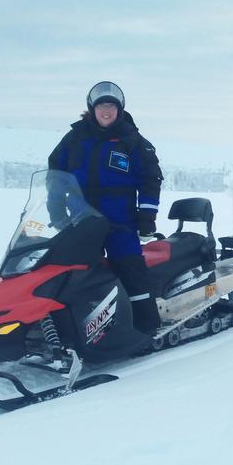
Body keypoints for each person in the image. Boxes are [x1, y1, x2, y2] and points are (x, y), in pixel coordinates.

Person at [48, 81, 163, 333]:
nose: (106, 111)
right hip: (81, 219)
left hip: (119, 221)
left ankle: (145, 328)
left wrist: (147, 217)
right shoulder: (75, 138)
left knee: (130, 268)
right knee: (72, 271)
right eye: (102, 106)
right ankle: (71, 326)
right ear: (92, 109)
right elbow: (55, 171)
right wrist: (55, 207)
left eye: (111, 106)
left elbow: (151, 179)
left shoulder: (132, 141)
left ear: (119, 109)